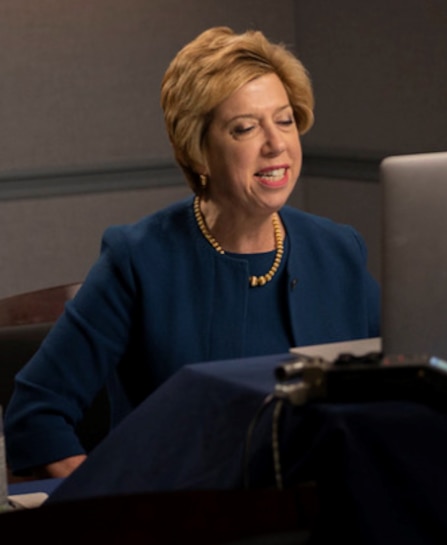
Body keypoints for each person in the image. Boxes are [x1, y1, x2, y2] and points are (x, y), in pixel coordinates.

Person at [4, 27, 380, 479]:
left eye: (284, 120)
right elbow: (36, 414)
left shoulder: (338, 250)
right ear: (198, 152)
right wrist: (117, 509)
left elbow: (400, 391)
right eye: (245, 128)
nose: (276, 143)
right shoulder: (139, 260)